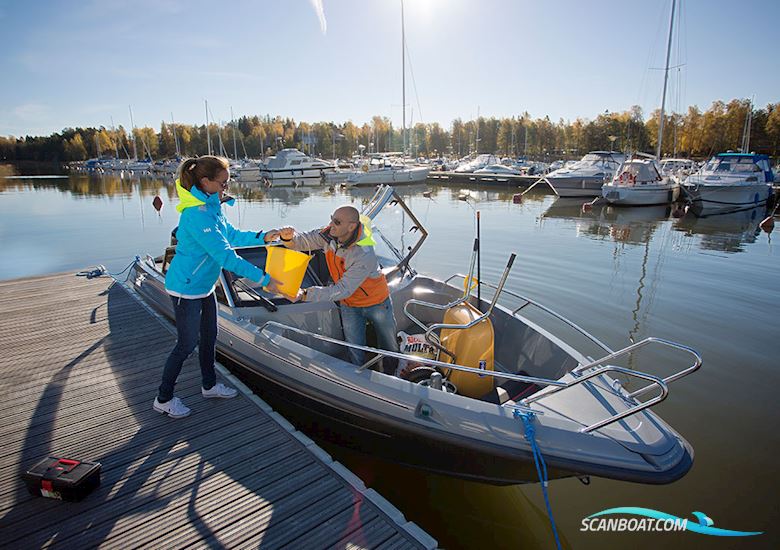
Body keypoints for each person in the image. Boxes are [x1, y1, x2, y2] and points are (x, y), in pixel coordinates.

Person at [154, 156, 280, 419]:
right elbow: (226, 257)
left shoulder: (211, 207)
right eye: (223, 182)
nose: (227, 187)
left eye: (228, 181)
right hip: (185, 289)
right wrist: (266, 279)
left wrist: (263, 236)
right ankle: (163, 398)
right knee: (186, 344)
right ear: (205, 182)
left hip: (204, 286)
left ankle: (209, 385)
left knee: (210, 337)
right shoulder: (196, 215)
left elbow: (231, 235)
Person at [265, 206, 399, 369]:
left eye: (337, 222)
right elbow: (302, 241)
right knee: (355, 347)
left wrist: (305, 294)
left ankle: (393, 375)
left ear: (351, 226)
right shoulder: (328, 234)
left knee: (389, 346)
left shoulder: (364, 253)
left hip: (377, 302)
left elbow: (343, 289)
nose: (331, 224)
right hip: (349, 304)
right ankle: (357, 380)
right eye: (331, 218)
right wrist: (288, 239)